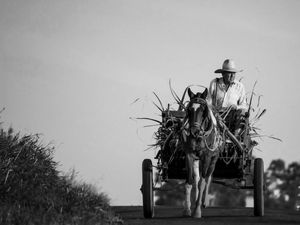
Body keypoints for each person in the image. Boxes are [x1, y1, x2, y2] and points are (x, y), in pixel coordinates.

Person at [207, 59, 248, 136]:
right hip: (215, 116)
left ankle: (236, 138)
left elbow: (244, 105)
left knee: (241, 114)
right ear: (223, 74)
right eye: (229, 73)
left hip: (233, 118)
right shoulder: (214, 83)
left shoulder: (240, 86)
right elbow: (208, 101)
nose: (232, 76)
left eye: (234, 73)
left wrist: (236, 107)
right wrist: (214, 113)